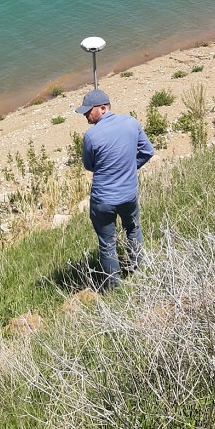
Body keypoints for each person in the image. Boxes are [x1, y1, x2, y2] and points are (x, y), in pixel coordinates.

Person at [75, 88, 154, 290]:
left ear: (102, 108)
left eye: (88, 111)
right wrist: (129, 167)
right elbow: (147, 151)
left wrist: (112, 169)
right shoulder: (131, 122)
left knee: (107, 242)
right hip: (128, 194)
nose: (85, 114)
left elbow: (89, 165)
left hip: (103, 199)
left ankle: (114, 288)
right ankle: (138, 271)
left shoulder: (91, 136)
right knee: (133, 228)